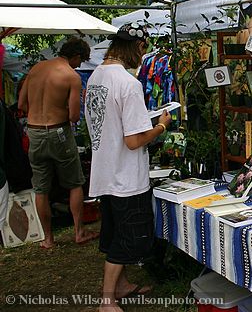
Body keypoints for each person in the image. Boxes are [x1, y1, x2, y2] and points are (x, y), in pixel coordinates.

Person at [85, 23, 172, 312]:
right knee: (132, 239)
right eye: (144, 49)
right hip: (126, 177)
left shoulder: (96, 76)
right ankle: (106, 300)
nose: (143, 56)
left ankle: (119, 286)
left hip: (106, 171)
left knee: (113, 233)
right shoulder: (128, 83)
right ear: (137, 47)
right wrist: (160, 126)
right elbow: (134, 140)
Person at [17, 37, 98, 249]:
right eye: (80, 61)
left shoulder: (36, 68)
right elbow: (73, 116)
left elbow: (21, 104)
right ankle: (79, 232)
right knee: (74, 183)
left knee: (41, 188)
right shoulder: (71, 76)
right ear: (76, 56)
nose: (79, 66)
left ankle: (48, 239)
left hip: (34, 131)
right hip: (59, 131)